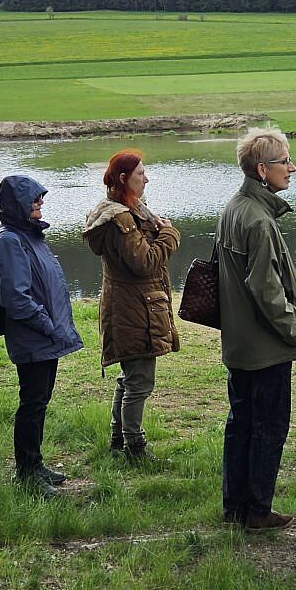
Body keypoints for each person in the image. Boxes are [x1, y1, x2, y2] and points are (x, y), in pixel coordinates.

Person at [216, 129, 296, 529]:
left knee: (240, 422)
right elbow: (266, 289)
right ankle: (257, 510)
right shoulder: (258, 220)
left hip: (241, 344)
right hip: (266, 347)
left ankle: (235, 507)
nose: (291, 168)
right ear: (262, 169)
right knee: (268, 426)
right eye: (284, 162)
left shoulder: (234, 207)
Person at [82, 150, 180, 461]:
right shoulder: (121, 218)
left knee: (130, 377)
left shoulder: (124, 211)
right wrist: (169, 235)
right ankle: (134, 448)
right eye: (141, 174)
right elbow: (144, 262)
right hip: (135, 310)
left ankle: (117, 441)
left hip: (133, 307)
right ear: (124, 179)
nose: (146, 178)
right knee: (139, 381)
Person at [0, 175, 83, 495]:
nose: (40, 202)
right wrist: (48, 325)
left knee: (39, 401)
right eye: (33, 199)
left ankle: (35, 464)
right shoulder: (9, 241)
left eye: (40, 197)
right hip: (33, 336)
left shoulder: (29, 236)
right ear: (17, 204)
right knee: (31, 403)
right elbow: (17, 299)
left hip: (44, 336)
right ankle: (27, 473)